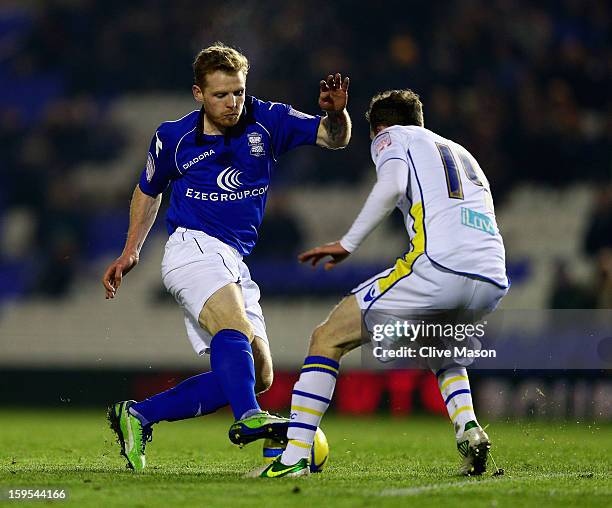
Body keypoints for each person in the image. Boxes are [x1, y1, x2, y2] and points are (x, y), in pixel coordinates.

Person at [102, 43, 351, 472]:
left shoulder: (268, 119)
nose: (232, 103)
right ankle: (249, 418)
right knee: (236, 341)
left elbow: (334, 138)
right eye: (221, 95)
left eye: (238, 92)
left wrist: (335, 114)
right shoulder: (172, 137)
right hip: (192, 247)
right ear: (198, 93)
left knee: (258, 376)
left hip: (234, 259)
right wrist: (130, 251)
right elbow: (148, 190)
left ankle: (138, 415)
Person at [250, 89, 509, 478]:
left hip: (440, 265)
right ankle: (468, 427)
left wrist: (347, 243)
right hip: (491, 276)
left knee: (327, 338)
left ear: (378, 129)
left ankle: (294, 459)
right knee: (440, 343)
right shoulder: (461, 152)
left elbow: (390, 186)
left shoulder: (393, 137)